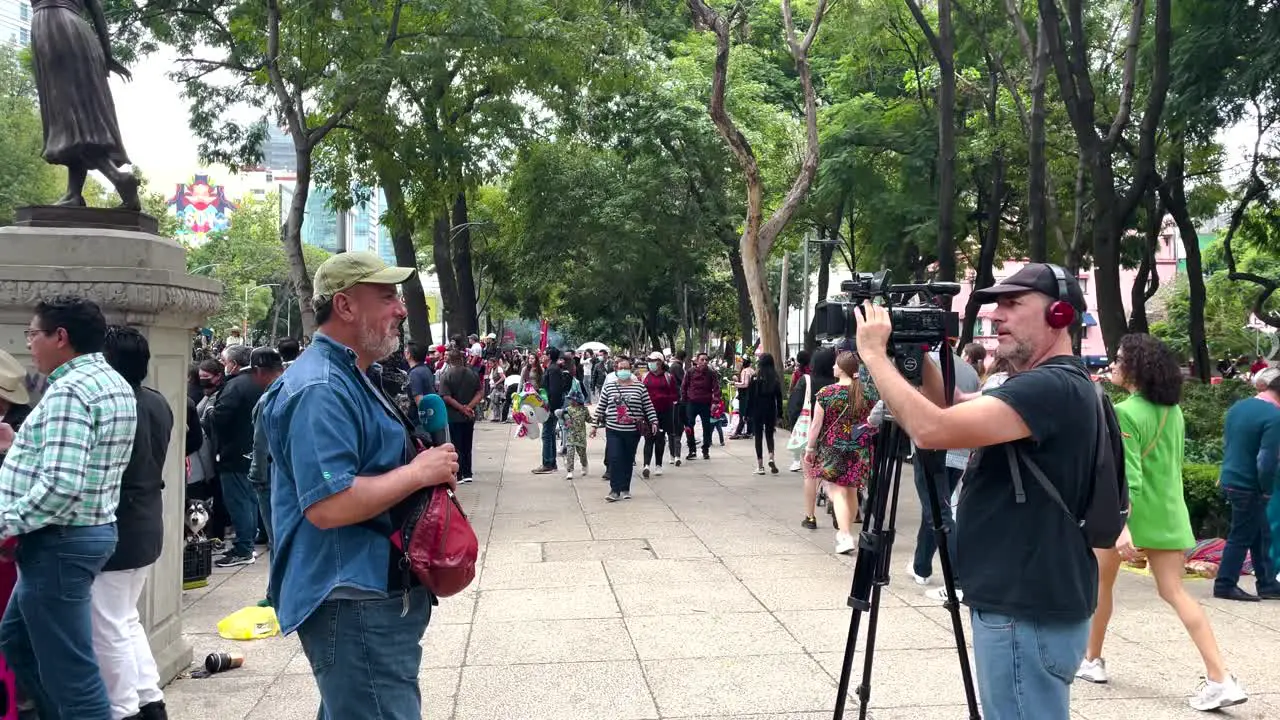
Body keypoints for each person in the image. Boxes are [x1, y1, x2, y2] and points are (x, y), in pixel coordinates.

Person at [854, 263, 1100, 719]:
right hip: (1028, 598)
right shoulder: (1047, 384)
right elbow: (949, 406)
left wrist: (874, 356)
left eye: (1012, 304)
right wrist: (915, 350)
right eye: (995, 305)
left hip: (1025, 605)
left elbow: (930, 428)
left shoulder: (1050, 387)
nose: (997, 316)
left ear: (1061, 313)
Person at [261, 252, 459, 719]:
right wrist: (419, 472)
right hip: (352, 597)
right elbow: (328, 506)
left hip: (371, 593)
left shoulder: (354, 375)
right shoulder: (321, 388)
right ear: (346, 307)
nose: (401, 308)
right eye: (387, 296)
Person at [1076, 334, 1247, 710]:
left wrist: (1121, 528)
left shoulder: (1126, 413)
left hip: (1133, 518)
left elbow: (1129, 478)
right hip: (1170, 515)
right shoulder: (1174, 411)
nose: (1113, 364)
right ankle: (1220, 676)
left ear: (1136, 367)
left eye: (1119, 359)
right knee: (1175, 592)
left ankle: (1093, 660)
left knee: (1101, 588)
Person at [0, 296, 137, 719]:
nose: (30, 345)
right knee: (18, 639)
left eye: (32, 334)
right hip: (78, 535)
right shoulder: (111, 382)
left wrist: (6, 522)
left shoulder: (71, 391)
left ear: (60, 337)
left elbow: (61, 485)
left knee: (73, 676)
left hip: (59, 541)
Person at [94, 326, 173, 720]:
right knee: (124, 618)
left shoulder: (115, 403)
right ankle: (148, 698)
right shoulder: (157, 402)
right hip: (146, 521)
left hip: (120, 525)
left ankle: (124, 708)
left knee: (108, 625)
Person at [910, 350, 981, 604]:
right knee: (935, 510)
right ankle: (921, 566)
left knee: (938, 513)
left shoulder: (923, 364)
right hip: (961, 449)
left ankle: (958, 580)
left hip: (933, 446)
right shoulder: (970, 371)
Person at [1215, 368, 1280, 602]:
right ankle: (1225, 584)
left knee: (1261, 534)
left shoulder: (1238, 407)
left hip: (1232, 477)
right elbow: (1266, 460)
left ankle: (1268, 583)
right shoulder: (1274, 417)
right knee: (1241, 535)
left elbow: (1232, 445)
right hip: (1249, 484)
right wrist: (1265, 489)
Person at [803, 350, 875, 553]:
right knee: (851, 491)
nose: (833, 367)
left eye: (836, 365)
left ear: (842, 369)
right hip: (859, 448)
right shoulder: (866, 393)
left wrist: (810, 447)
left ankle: (844, 535)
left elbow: (816, 424)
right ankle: (847, 530)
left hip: (833, 448)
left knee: (836, 491)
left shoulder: (827, 393)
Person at [203, 344, 263, 568]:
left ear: (234, 364)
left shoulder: (235, 386)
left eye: (225, 361)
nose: (223, 365)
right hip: (252, 450)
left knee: (239, 501)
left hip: (234, 452)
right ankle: (248, 540)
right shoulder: (257, 382)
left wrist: (210, 413)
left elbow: (220, 418)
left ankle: (243, 547)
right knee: (249, 499)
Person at [592, 358, 658, 502]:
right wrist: (594, 425)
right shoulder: (609, 387)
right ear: (616, 370)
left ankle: (625, 487)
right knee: (615, 458)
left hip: (632, 430)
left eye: (626, 368)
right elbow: (601, 407)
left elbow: (648, 406)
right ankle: (614, 490)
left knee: (628, 459)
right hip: (613, 429)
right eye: (620, 368)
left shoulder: (639, 387)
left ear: (630, 370)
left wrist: (653, 421)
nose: (623, 371)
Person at [247, 347, 286, 552]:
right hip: (288, 473)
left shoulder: (267, 400)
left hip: (271, 476)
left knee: (277, 540)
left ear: (259, 371)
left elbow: (261, 443)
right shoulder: (293, 389)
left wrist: (257, 475)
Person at [438, 349, 482, 484]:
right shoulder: (472, 374)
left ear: (449, 360)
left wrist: (461, 408)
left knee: (456, 444)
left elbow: (446, 397)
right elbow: (480, 392)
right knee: (467, 444)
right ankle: (468, 472)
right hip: (469, 416)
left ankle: (459, 474)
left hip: (453, 416)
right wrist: (469, 407)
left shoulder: (446, 375)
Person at [533, 348, 572, 475]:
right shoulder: (552, 368)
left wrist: (550, 407)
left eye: (544, 354)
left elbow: (554, 391)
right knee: (549, 434)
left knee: (547, 434)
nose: (542, 356)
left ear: (549, 356)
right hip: (550, 406)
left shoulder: (553, 370)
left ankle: (548, 463)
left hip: (551, 407)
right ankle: (551, 462)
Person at [641, 352, 679, 478]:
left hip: (664, 412)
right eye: (649, 360)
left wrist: (663, 398)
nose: (651, 363)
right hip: (648, 413)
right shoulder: (645, 377)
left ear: (661, 362)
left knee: (660, 438)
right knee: (648, 438)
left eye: (654, 360)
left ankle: (658, 465)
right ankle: (646, 465)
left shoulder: (668, 377)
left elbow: (675, 395)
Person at [751, 353, 784, 475]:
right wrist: (780, 414)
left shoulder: (755, 377)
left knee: (758, 436)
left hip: (757, 410)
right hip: (770, 409)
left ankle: (760, 466)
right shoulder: (775, 378)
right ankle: (771, 456)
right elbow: (779, 398)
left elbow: (750, 397)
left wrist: (746, 414)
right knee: (769, 435)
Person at [681, 352, 718, 461]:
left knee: (707, 427)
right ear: (697, 361)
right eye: (702, 359)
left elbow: (716, 388)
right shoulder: (690, 372)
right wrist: (684, 401)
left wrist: (715, 402)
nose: (704, 362)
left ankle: (705, 449)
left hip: (706, 404)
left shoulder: (711, 373)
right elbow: (684, 386)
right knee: (689, 426)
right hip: (691, 403)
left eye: (706, 360)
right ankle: (692, 450)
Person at [559, 387, 590, 480]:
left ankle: (584, 465)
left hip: (581, 436)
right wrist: (565, 419)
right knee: (570, 453)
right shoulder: (567, 410)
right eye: (570, 399)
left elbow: (589, 419)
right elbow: (562, 416)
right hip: (571, 436)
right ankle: (569, 471)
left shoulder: (584, 410)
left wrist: (596, 421)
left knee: (582, 453)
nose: (571, 401)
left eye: (572, 400)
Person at [405, 342, 436, 424]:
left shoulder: (414, 373)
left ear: (408, 354)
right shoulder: (425, 369)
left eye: (406, 350)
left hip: (418, 420)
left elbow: (420, 401)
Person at [731, 357, 755, 439]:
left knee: (743, 414)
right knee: (749, 414)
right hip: (752, 395)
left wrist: (735, 384)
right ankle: (749, 432)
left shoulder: (745, 371)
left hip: (745, 395)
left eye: (741, 361)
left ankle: (738, 433)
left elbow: (745, 384)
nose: (739, 363)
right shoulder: (752, 370)